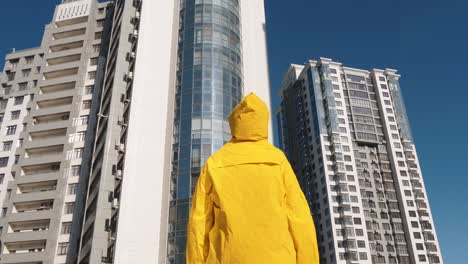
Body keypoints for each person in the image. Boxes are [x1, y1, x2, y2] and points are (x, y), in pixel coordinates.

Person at [186, 93, 319, 264]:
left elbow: (198, 225)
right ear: (263, 122)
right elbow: (301, 221)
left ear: (234, 123)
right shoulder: (278, 160)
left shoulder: (215, 162)